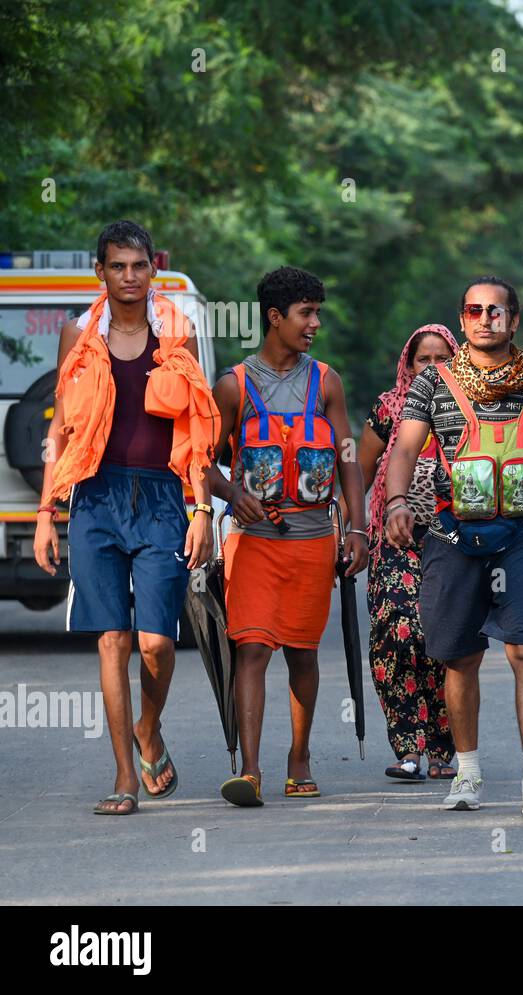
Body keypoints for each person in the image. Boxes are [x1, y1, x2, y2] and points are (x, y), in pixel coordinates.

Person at [34, 220, 218, 815]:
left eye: (139, 266)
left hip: (163, 497)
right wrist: (45, 513)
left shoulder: (176, 332)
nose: (130, 277)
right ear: (101, 272)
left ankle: (148, 728)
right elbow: (60, 429)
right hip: (95, 498)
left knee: (158, 642)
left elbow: (193, 430)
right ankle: (123, 776)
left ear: (152, 271)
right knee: (112, 639)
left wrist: (201, 510)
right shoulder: (78, 335)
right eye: (118, 266)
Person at [385, 277, 523, 816]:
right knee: (461, 657)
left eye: (497, 310)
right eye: (475, 309)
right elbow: (404, 448)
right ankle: (467, 773)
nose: (486, 318)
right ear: (463, 318)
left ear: (515, 320)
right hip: (453, 537)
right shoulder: (435, 383)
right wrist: (397, 501)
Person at [206, 266, 367, 807]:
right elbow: (200, 463)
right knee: (251, 648)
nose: (315, 323)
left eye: (317, 312)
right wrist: (232, 495)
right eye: (306, 313)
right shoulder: (233, 384)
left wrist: (358, 526)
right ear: (275, 317)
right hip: (253, 541)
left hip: (314, 539)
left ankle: (299, 759)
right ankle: (249, 769)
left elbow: (346, 456)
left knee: (302, 651)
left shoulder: (327, 381)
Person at [358, 324, 459, 781]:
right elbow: (357, 474)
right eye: (424, 360)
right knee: (397, 634)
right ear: (409, 364)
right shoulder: (388, 409)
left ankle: (442, 748)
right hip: (393, 539)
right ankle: (407, 747)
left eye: (443, 359)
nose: (434, 368)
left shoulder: (469, 410)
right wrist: (352, 531)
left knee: (442, 639)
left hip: (454, 539)